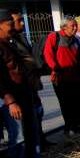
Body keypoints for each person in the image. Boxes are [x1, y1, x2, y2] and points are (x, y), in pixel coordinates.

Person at [0, 10, 40, 158]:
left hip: (24, 94)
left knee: (31, 130)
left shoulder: (10, 44)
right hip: (12, 98)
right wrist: (10, 101)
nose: (13, 27)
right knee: (18, 135)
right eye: (9, 24)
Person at [10, 9, 52, 150]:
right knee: (27, 119)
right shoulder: (10, 42)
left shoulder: (21, 37)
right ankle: (31, 147)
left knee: (38, 112)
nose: (22, 23)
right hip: (21, 86)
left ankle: (41, 140)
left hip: (32, 82)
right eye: (18, 21)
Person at [44, 16, 80, 135]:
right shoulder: (54, 36)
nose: (75, 28)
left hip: (75, 78)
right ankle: (69, 128)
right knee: (66, 104)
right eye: (72, 26)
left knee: (77, 103)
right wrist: (54, 68)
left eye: (75, 25)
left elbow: (78, 58)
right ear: (64, 27)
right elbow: (48, 54)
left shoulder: (74, 39)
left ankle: (78, 126)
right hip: (61, 78)